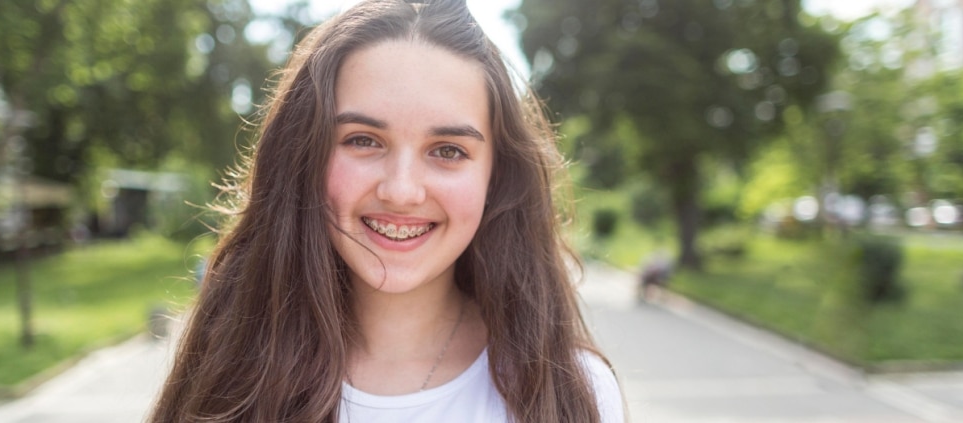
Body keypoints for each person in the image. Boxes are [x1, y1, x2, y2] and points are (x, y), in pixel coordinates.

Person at [150, 0, 626, 421]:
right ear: (303, 156)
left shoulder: (573, 395)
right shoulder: (227, 369)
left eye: (448, 150)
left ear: (495, 178)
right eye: (363, 140)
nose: (402, 191)